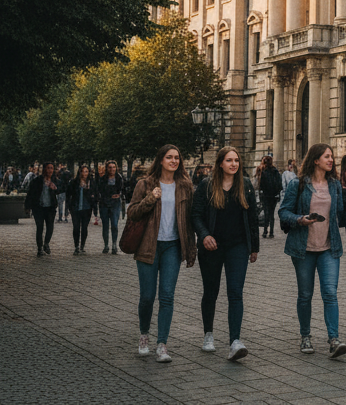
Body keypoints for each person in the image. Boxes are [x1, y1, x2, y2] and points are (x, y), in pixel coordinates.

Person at [126, 144, 197, 363]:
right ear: (161, 160)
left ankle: (162, 344)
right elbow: (132, 213)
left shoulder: (185, 186)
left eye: (177, 157)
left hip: (172, 247)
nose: (174, 161)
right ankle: (144, 335)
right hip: (148, 246)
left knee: (167, 295)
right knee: (147, 297)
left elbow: (190, 219)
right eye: (169, 157)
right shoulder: (145, 184)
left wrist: (192, 247)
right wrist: (150, 198)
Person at [279, 142, 346, 358]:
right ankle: (305, 336)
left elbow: (341, 214)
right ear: (315, 159)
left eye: (332, 157)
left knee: (330, 293)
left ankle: (334, 339)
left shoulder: (334, 185)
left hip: (329, 247)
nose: (331, 160)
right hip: (303, 249)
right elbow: (283, 212)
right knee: (305, 295)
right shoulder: (298, 184)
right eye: (327, 156)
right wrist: (300, 219)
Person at [191, 146, 259, 361]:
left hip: (237, 246)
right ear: (220, 163)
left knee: (235, 292)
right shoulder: (207, 185)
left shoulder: (245, 185)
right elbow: (196, 214)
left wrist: (254, 247)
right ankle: (208, 334)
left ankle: (235, 341)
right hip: (212, 246)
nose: (234, 164)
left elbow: (252, 218)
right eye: (229, 160)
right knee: (211, 291)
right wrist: (204, 236)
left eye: (236, 160)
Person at [25, 162, 60, 256]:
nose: (50, 170)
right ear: (44, 169)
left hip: (50, 208)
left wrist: (55, 188)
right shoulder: (37, 180)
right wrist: (27, 207)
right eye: (48, 168)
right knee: (39, 227)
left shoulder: (54, 180)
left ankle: (46, 243)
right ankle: (39, 248)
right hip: (38, 208)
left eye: (52, 168)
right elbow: (30, 194)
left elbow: (61, 188)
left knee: (50, 227)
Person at [68, 164, 98, 254]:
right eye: (82, 171)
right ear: (79, 172)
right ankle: (76, 246)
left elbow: (95, 194)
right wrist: (69, 207)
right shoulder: (74, 182)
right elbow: (69, 194)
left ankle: (82, 246)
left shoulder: (91, 182)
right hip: (76, 208)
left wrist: (91, 196)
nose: (84, 173)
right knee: (76, 227)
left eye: (86, 171)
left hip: (87, 208)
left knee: (84, 227)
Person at [98, 160, 125, 254]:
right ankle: (106, 245)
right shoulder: (103, 179)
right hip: (104, 204)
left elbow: (123, 190)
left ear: (116, 168)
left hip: (115, 204)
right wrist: (109, 195)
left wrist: (120, 194)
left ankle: (114, 245)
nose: (112, 169)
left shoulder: (119, 178)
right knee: (105, 225)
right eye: (110, 167)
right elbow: (100, 191)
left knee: (114, 224)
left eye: (113, 167)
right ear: (107, 168)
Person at [257, 156, 282, 238]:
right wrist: (277, 193)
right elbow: (279, 184)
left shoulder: (263, 171)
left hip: (265, 196)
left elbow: (261, 185)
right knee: (271, 214)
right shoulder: (275, 171)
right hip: (274, 196)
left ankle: (265, 231)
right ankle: (271, 232)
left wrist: (261, 196)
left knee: (266, 213)